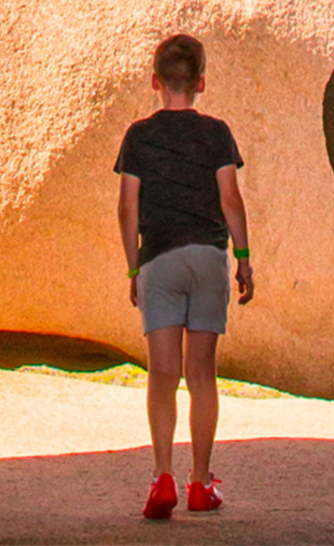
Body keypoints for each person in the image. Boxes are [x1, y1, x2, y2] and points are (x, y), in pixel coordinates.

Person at [114, 33, 254, 521]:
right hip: (208, 257)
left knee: (162, 374)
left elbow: (127, 206)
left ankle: (162, 477)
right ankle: (200, 483)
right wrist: (243, 257)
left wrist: (134, 265)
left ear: (155, 82)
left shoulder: (139, 136)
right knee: (202, 374)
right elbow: (230, 198)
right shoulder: (217, 133)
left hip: (159, 260)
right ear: (201, 83)